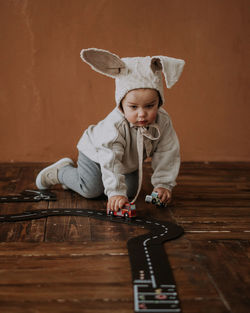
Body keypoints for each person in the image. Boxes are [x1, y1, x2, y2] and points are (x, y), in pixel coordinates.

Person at [36, 48, 185, 212]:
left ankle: (83, 180)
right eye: (133, 107)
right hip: (95, 154)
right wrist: (115, 192)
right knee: (92, 189)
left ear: (159, 101)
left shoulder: (163, 121)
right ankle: (61, 172)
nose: (142, 113)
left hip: (126, 164)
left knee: (130, 191)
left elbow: (167, 152)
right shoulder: (115, 126)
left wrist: (163, 184)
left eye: (150, 106)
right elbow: (111, 159)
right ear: (121, 103)